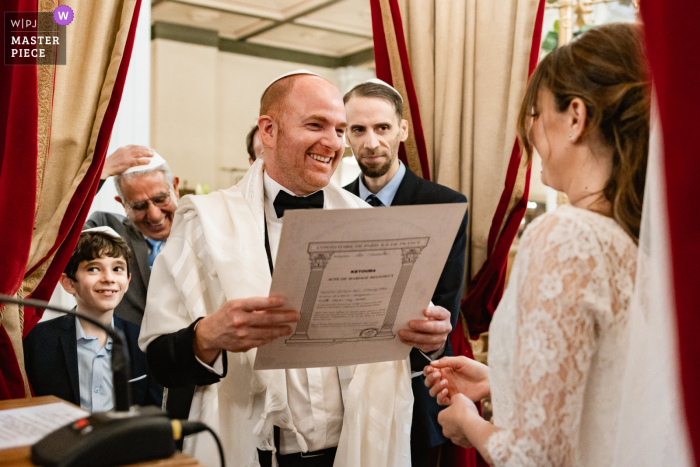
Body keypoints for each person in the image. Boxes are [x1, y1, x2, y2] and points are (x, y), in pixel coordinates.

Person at [138, 70, 453, 467]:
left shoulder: (366, 221)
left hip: (353, 451)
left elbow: (389, 352)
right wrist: (207, 336)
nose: (333, 143)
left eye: (339, 130)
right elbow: (158, 359)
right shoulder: (203, 222)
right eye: (315, 125)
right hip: (253, 451)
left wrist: (430, 339)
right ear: (268, 130)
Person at [424, 23, 649, 467]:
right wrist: (499, 382)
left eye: (537, 112)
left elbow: (535, 456)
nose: (529, 132)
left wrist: (467, 422)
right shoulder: (639, 238)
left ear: (576, 117)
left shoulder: (566, 236)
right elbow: (615, 388)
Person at [343, 79, 469, 466]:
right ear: (345, 134)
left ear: (402, 129)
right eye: (358, 129)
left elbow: (446, 300)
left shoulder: (444, 204)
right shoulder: (333, 207)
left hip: (417, 388)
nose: (370, 142)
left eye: (381, 128)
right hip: (345, 394)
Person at [24, 228, 162, 411]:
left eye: (117, 269)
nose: (109, 278)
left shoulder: (143, 341)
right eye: (94, 269)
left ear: (127, 281)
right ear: (69, 283)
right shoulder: (36, 341)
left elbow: (153, 413)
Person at [85, 150, 180, 326]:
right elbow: (59, 233)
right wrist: (100, 172)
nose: (154, 214)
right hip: (124, 349)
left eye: (160, 199)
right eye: (139, 206)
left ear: (175, 187)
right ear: (122, 204)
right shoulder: (106, 227)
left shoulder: (202, 230)